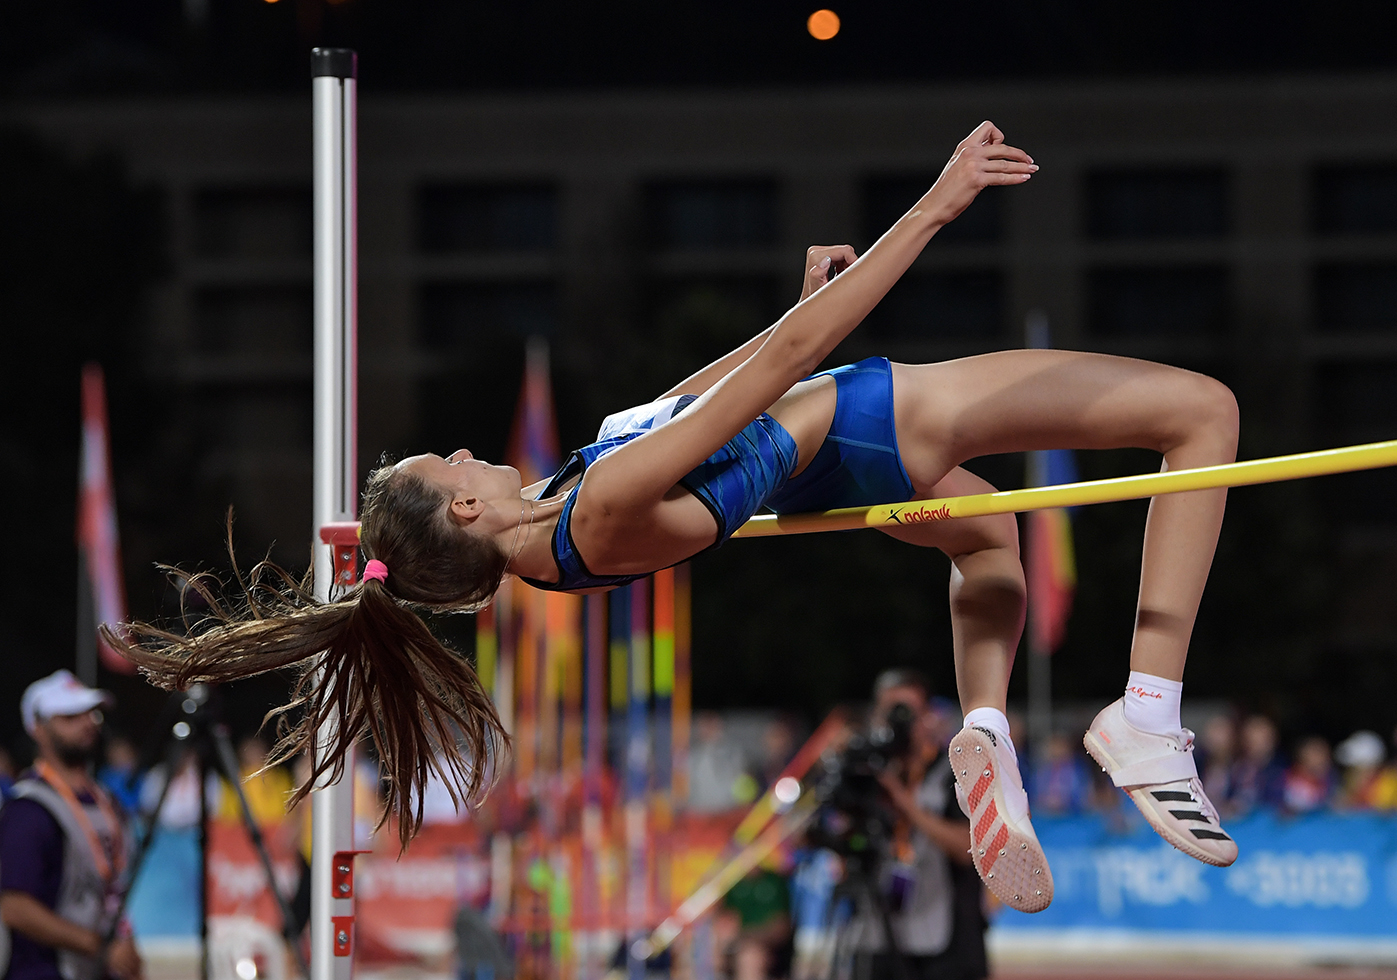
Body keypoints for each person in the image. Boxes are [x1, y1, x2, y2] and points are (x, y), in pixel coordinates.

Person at [106, 121, 1241, 908]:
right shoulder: (593, 506)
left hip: (829, 468)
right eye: (447, 458)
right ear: (463, 501)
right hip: (874, 421)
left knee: (987, 534)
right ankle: (1146, 712)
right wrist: (934, 208)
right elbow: (783, 374)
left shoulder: (559, 530)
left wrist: (793, 309)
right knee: (1200, 413)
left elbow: (692, 402)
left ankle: (985, 728)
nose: (465, 447)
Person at [0, 670, 142, 980]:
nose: (87, 723)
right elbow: (13, 905)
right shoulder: (28, 809)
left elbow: (113, 890)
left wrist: (123, 947)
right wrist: (100, 947)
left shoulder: (106, 800)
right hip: (43, 970)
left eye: (90, 714)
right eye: (69, 717)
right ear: (38, 728)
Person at [849, 669, 988, 980]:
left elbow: (970, 849)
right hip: (877, 937)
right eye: (890, 713)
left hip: (947, 944)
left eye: (907, 712)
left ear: (927, 717)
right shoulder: (868, 773)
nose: (898, 723)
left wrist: (906, 804)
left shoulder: (955, 772)